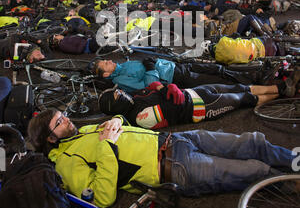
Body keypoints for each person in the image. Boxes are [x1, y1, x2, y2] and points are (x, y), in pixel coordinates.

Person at [27, 108, 296, 208]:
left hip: (176, 139)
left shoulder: (80, 132)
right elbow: (102, 197)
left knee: (250, 141)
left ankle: (295, 161)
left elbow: (122, 124)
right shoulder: (65, 163)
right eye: (59, 122)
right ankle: (293, 184)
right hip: (173, 169)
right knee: (255, 170)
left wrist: (115, 120)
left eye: (63, 115)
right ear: (50, 139)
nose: (67, 120)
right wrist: (107, 145)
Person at [98, 78, 299, 129]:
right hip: (200, 108)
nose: (121, 92)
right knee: (244, 99)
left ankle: (281, 87)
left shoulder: (134, 98)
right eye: (117, 95)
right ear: (116, 107)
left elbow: (155, 86)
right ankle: (283, 94)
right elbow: (172, 106)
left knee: (241, 88)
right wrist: (166, 90)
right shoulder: (139, 117)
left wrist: (165, 87)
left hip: (195, 93)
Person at [93, 56, 280, 94]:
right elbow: (146, 87)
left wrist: (153, 61)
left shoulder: (123, 66)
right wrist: (150, 67)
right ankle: (257, 80)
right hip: (176, 78)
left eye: (107, 60)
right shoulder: (120, 80)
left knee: (218, 69)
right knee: (217, 80)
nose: (110, 60)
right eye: (106, 63)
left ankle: (255, 73)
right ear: (106, 74)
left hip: (176, 67)